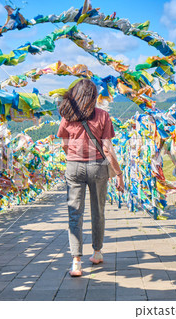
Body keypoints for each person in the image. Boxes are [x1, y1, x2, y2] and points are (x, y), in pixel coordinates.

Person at [57, 79, 124, 277]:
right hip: (98, 167)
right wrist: (119, 173)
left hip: (74, 167)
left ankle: (76, 262)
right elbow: (107, 148)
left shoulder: (67, 115)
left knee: (74, 213)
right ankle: (97, 252)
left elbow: (64, 143)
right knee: (98, 210)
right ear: (93, 96)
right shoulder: (103, 115)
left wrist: (74, 156)